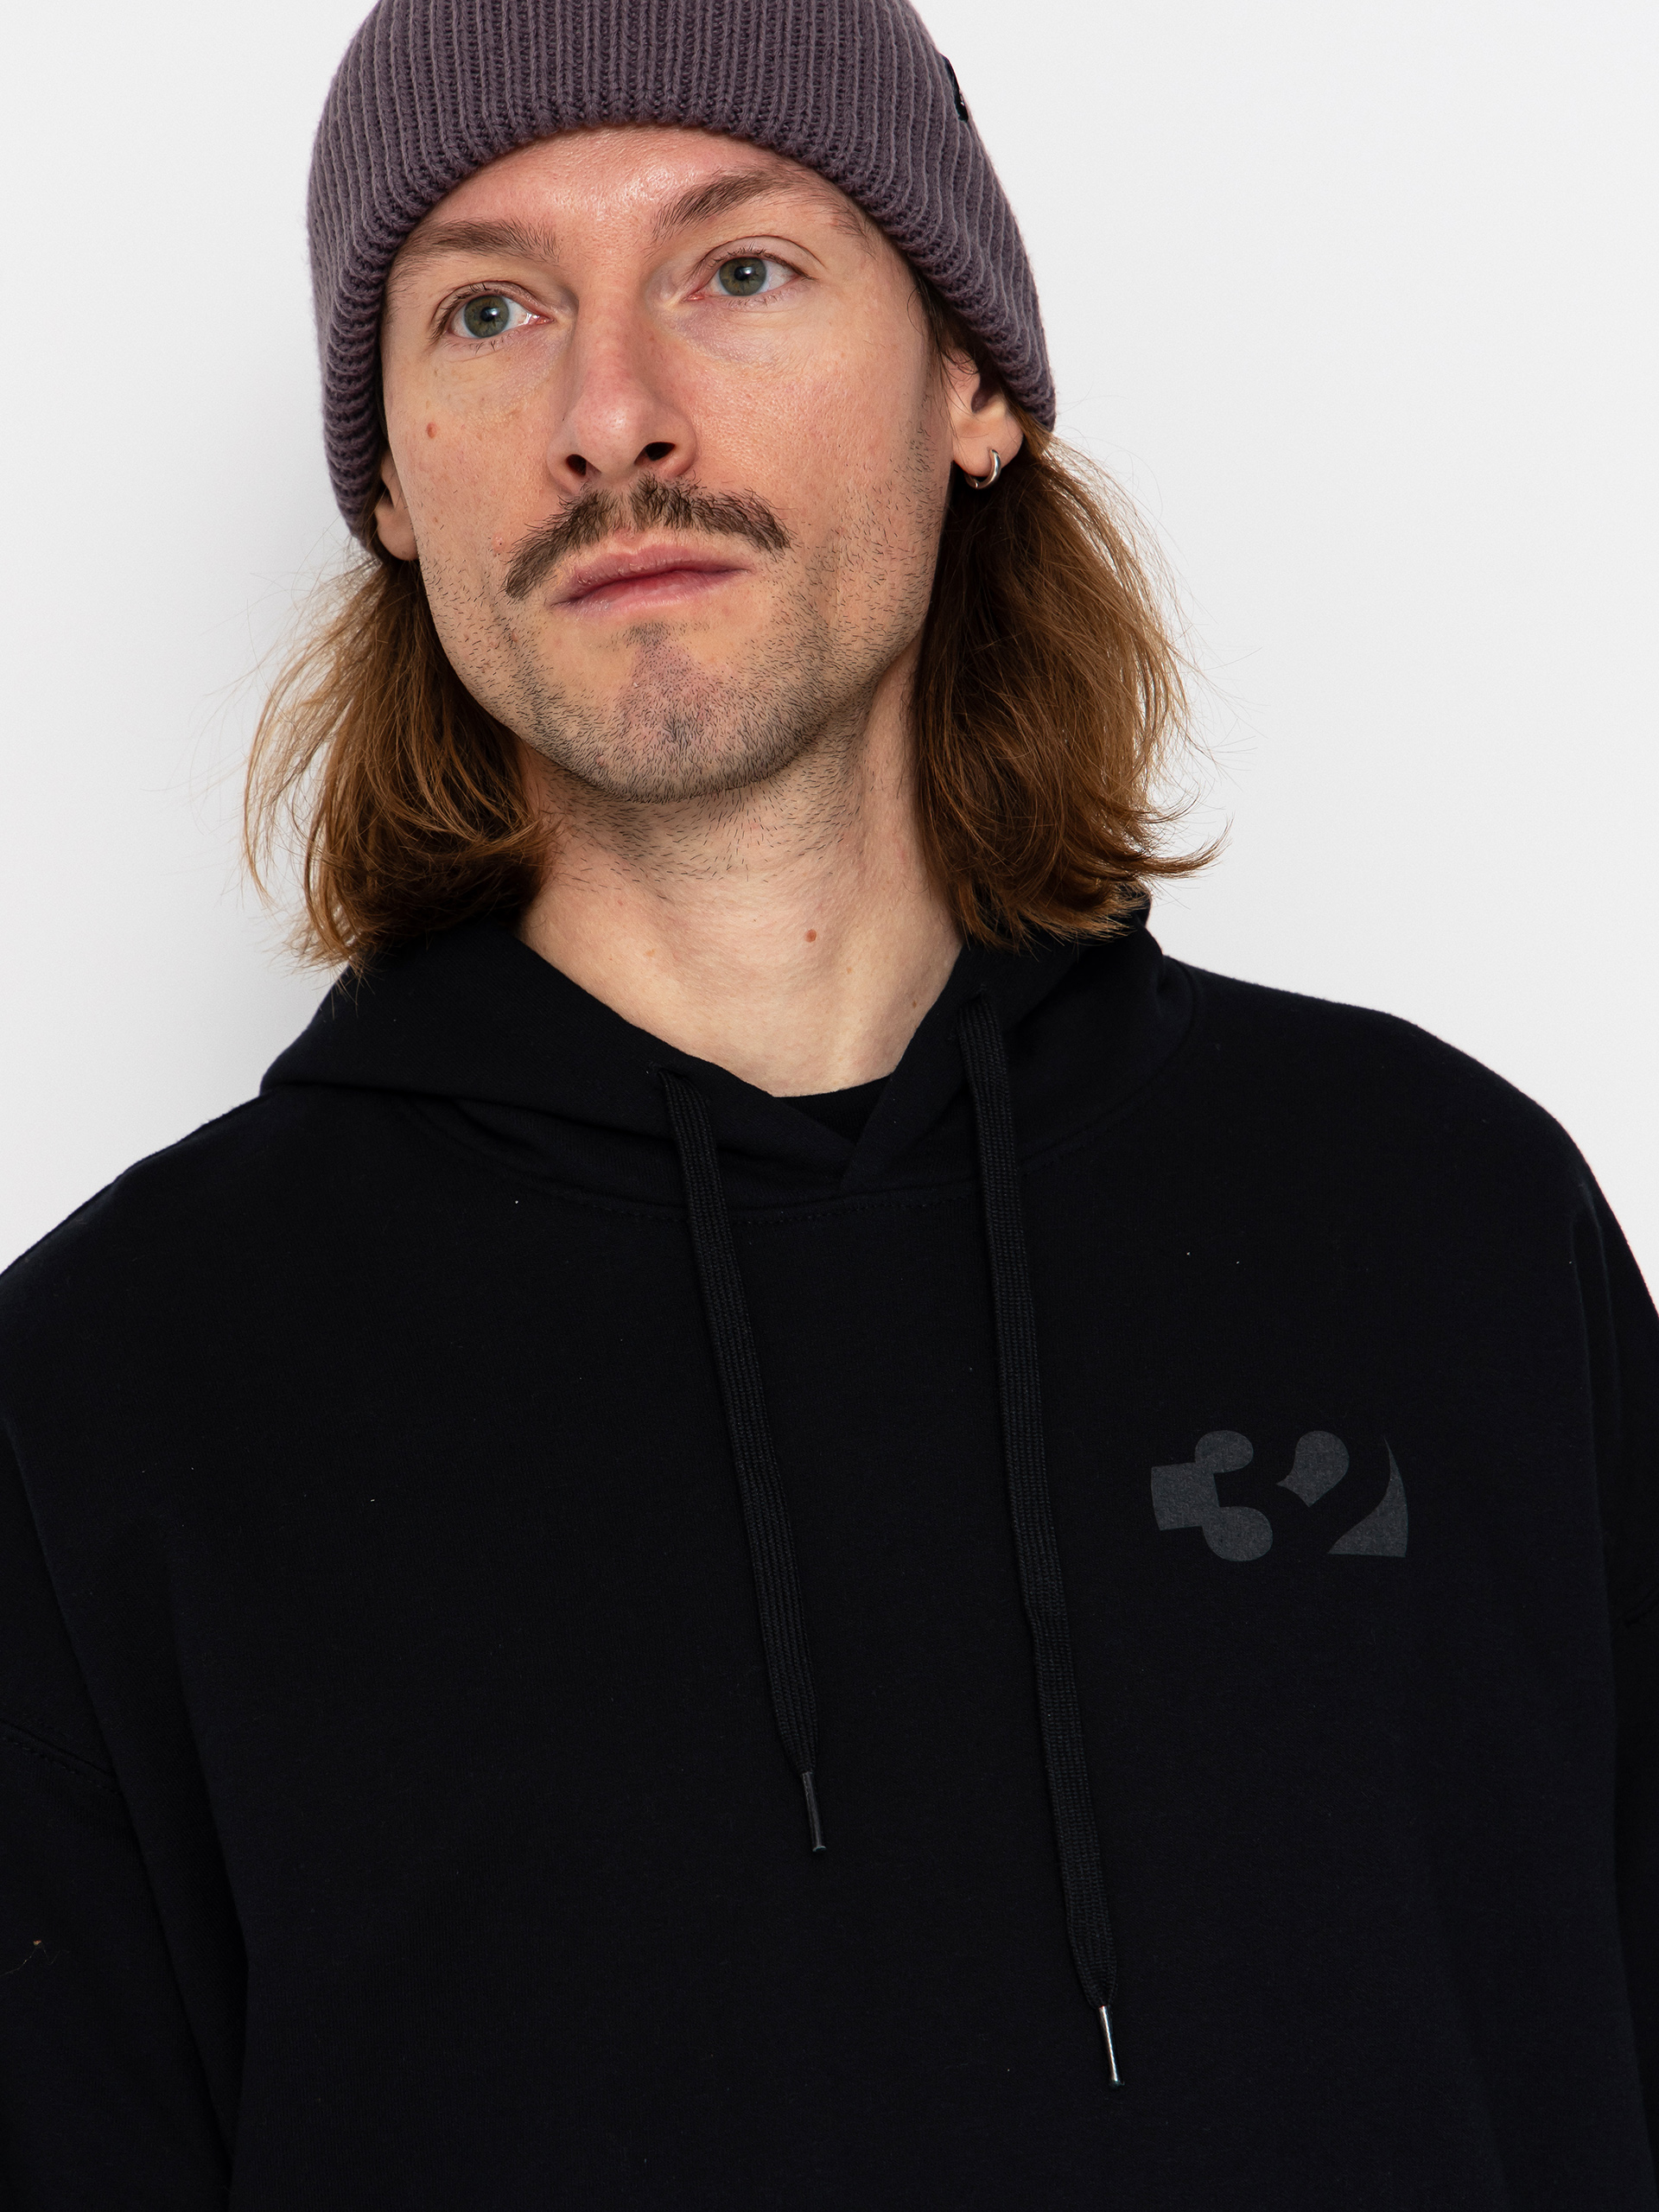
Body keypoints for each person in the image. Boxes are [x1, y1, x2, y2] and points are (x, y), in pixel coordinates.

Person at [1, 0, 1654, 2202]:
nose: (612, 414)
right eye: (489, 308)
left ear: (972, 379)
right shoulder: (109, 1405)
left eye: (740, 267)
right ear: (390, 475)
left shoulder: (1448, 1228)